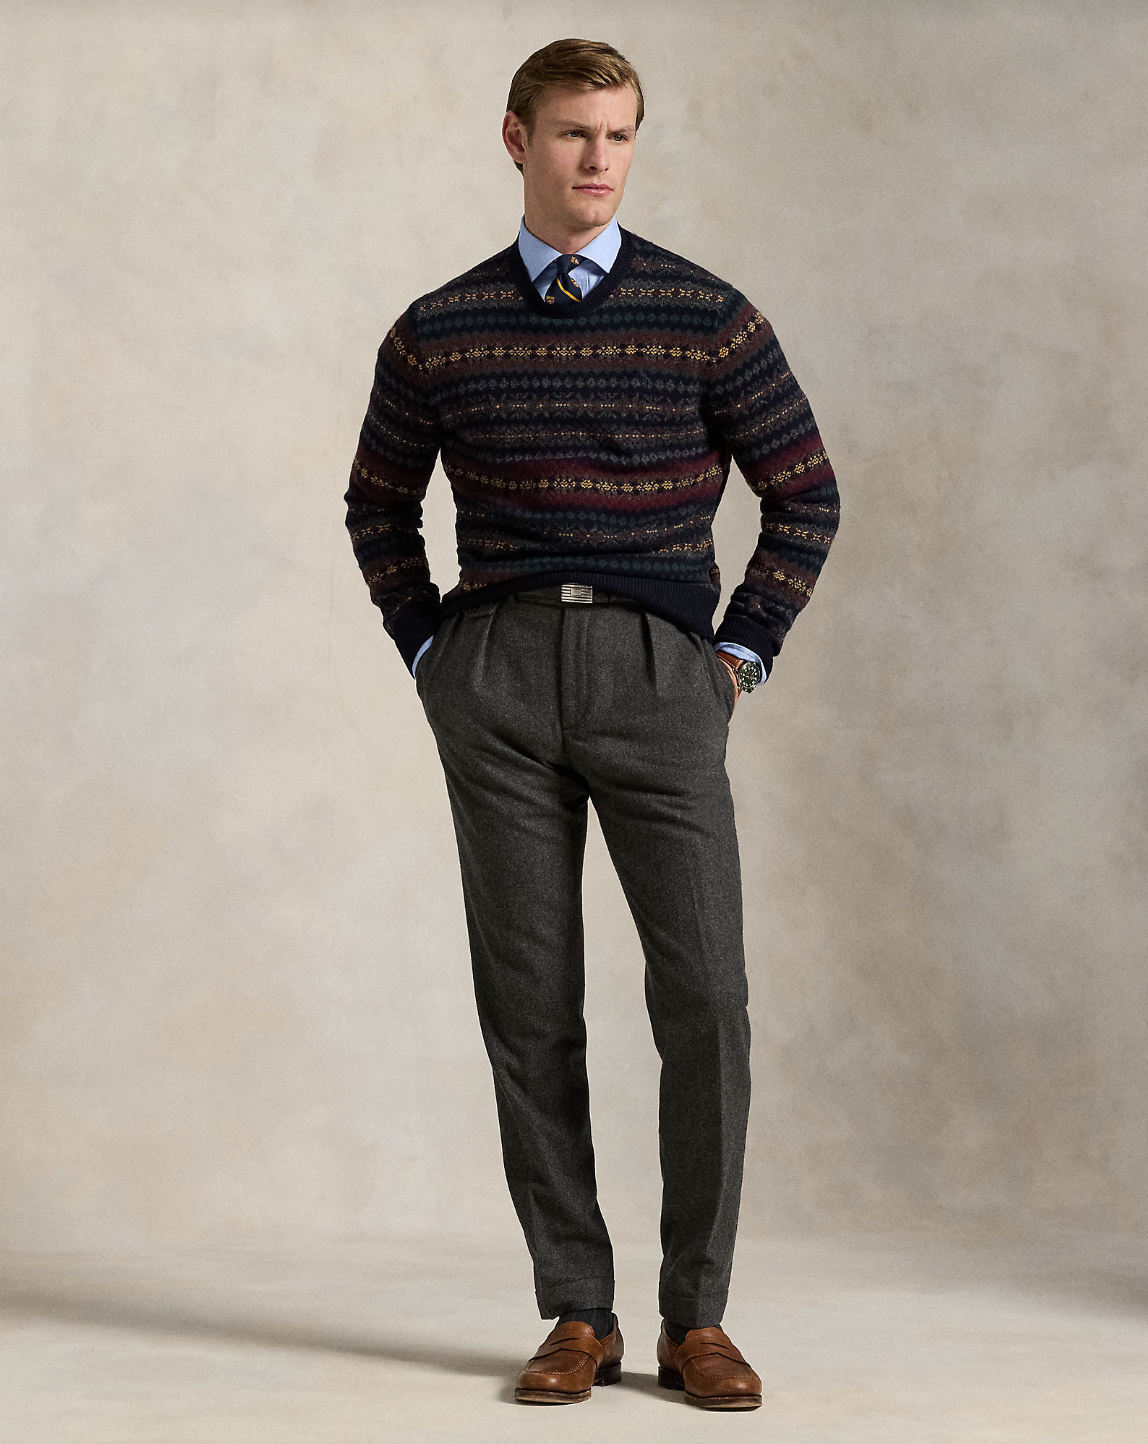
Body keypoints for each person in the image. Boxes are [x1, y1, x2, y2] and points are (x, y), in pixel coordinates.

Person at [344, 38, 839, 1412]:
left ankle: (698, 1318)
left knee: (707, 998)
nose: (600, 159)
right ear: (517, 140)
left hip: (658, 678)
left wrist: (736, 657)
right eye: (573, 133)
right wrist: (434, 650)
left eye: (619, 134)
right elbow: (377, 504)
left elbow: (805, 492)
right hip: (497, 678)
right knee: (529, 1006)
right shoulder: (439, 328)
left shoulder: (706, 316)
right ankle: (577, 1308)